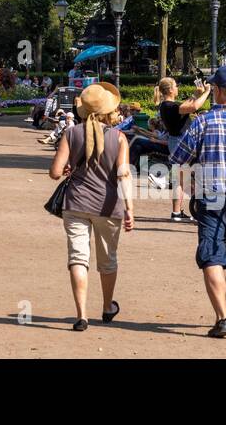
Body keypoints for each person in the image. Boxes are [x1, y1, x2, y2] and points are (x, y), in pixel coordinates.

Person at [169, 64, 226, 339]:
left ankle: (222, 317)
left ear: (218, 91)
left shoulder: (203, 121)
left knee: (210, 254)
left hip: (211, 197)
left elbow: (177, 160)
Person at [49, 82, 134, 330]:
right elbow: (123, 175)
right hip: (108, 207)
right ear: (108, 111)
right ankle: (107, 307)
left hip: (75, 203)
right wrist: (129, 209)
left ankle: (81, 315)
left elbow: (55, 172)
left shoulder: (71, 133)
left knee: (78, 258)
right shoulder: (119, 138)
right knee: (107, 261)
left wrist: (66, 169)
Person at [150, 77, 210, 223]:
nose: (178, 88)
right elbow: (193, 107)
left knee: (182, 180)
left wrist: (196, 94)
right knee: (191, 177)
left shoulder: (167, 106)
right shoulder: (169, 106)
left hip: (175, 141)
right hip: (181, 142)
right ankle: (199, 211)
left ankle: (177, 212)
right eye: (176, 86)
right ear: (170, 89)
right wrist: (206, 93)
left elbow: (186, 105)